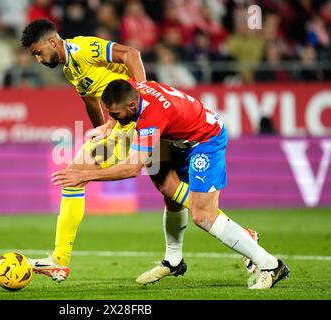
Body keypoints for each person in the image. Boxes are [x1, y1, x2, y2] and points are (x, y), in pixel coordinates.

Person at [21, 19, 257, 285]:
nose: (39, 60)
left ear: (52, 41)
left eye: (38, 52)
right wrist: (103, 129)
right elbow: (90, 100)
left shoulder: (85, 49)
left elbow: (131, 54)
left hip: (134, 119)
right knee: (169, 188)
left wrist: (142, 100)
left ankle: (60, 261)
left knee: (75, 175)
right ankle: (242, 235)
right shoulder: (70, 70)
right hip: (122, 125)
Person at [52, 79, 290, 290]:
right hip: (181, 140)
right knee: (170, 192)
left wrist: (83, 176)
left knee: (203, 216)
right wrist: (108, 127)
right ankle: (173, 261)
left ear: (133, 107)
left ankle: (270, 265)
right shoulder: (136, 89)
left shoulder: (150, 118)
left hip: (206, 141)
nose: (115, 120)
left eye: (115, 115)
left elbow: (132, 168)